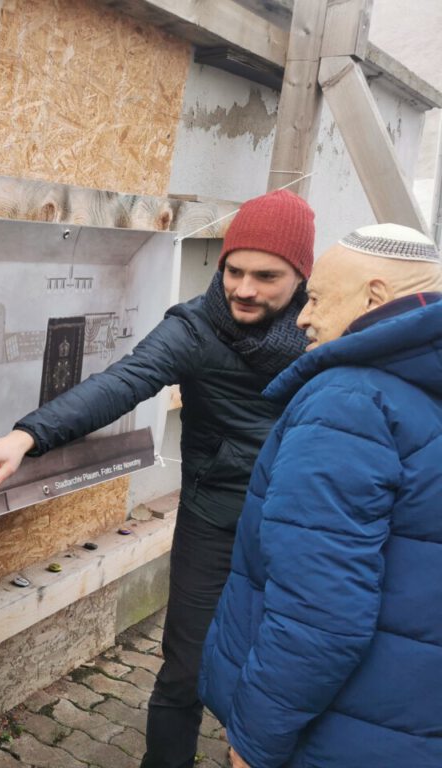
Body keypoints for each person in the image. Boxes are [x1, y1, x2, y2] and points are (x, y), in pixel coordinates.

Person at [0, 189, 315, 768]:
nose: (244, 289)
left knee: (297, 668)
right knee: (186, 670)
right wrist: (27, 436)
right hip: (214, 515)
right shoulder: (195, 328)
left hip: (301, 519)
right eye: (234, 271)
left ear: (301, 276)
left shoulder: (328, 328)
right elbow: (124, 380)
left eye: (266, 276)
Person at [199, 224, 442, 768]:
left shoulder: (349, 400)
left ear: (374, 297)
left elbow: (318, 610)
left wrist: (254, 742)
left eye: (316, 299)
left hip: (335, 735)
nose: (304, 317)